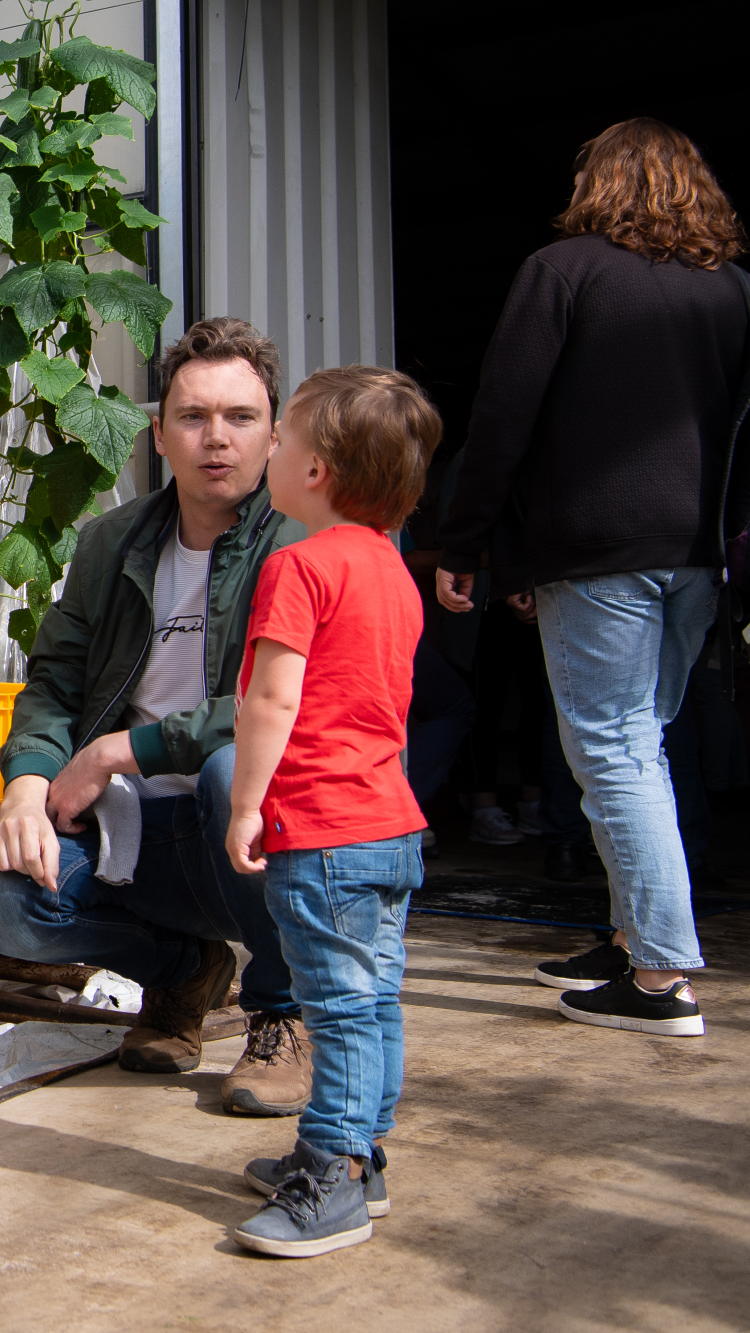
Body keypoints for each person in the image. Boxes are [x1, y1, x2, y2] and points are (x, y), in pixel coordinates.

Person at [436, 118, 750, 1037]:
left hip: (597, 551)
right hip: (697, 554)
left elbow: (504, 418)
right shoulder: (732, 290)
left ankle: (659, 978)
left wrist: (468, 541)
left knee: (613, 751)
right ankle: (625, 940)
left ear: (598, 185)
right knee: (634, 748)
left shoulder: (563, 271)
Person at [0, 317, 312, 1116]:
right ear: (159, 435)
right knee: (0, 896)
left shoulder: (301, 543)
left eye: (240, 418)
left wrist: (125, 748)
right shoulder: (110, 543)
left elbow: (289, 705)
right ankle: (182, 970)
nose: (215, 439)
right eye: (193, 418)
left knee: (233, 772)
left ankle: (282, 1012)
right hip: (138, 835)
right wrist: (26, 785)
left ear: (275, 432)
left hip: (252, 835)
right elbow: (53, 681)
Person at [224, 365, 438, 1258]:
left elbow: (271, 701)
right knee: (374, 996)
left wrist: (244, 803)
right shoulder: (392, 572)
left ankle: (335, 1173)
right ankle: (364, 1153)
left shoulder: (298, 566)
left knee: (338, 1010)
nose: (268, 449)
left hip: (325, 831)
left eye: (282, 437)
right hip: (391, 822)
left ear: (315, 471)